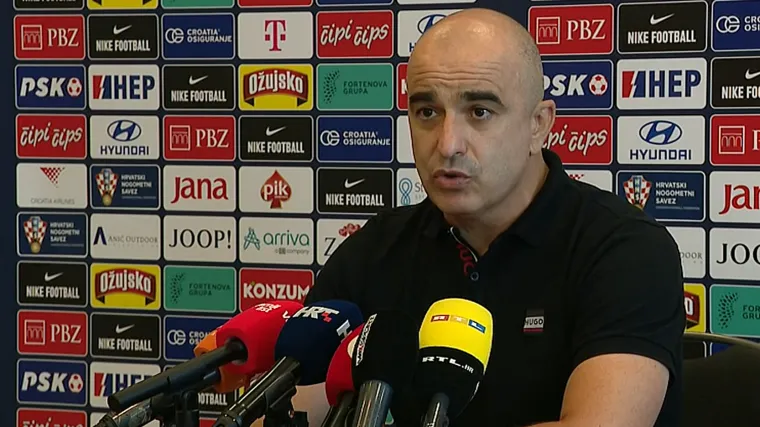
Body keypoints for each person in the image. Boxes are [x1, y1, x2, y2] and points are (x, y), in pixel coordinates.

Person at [303, 8, 685, 427]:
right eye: (427, 112)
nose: (448, 144)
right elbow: (295, 408)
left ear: (538, 125)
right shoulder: (376, 248)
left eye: (480, 112)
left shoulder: (626, 250)